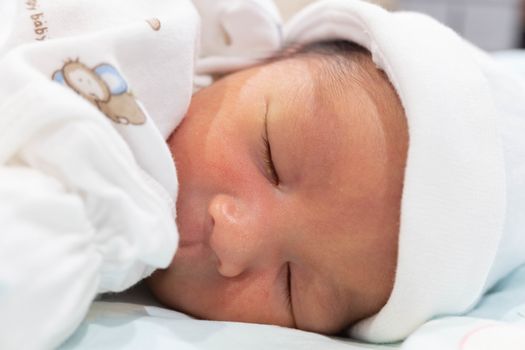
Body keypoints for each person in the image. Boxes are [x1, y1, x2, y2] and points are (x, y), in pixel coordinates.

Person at [0, 1, 524, 349]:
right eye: (272, 155)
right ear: (254, 60)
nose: (235, 234)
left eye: (294, 288)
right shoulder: (159, 33)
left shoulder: (107, 219)